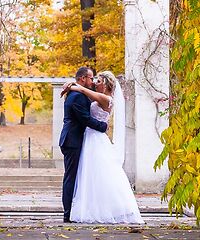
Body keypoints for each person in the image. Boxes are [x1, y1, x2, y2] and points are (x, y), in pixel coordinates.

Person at [63, 71, 144, 224]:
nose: (94, 82)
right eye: (93, 79)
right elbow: (83, 90)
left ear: (106, 84)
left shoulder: (106, 98)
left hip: (96, 138)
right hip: (89, 138)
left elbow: (82, 89)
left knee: (100, 174)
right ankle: (91, 207)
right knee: (90, 176)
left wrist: (71, 85)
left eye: (98, 80)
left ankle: (108, 209)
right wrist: (70, 84)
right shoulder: (95, 95)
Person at [59, 66, 108, 223]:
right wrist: (103, 127)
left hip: (75, 139)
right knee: (71, 177)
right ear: (82, 79)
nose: (92, 81)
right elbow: (85, 119)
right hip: (72, 140)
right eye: (90, 78)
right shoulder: (77, 97)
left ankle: (76, 210)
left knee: (77, 176)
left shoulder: (77, 93)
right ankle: (67, 214)